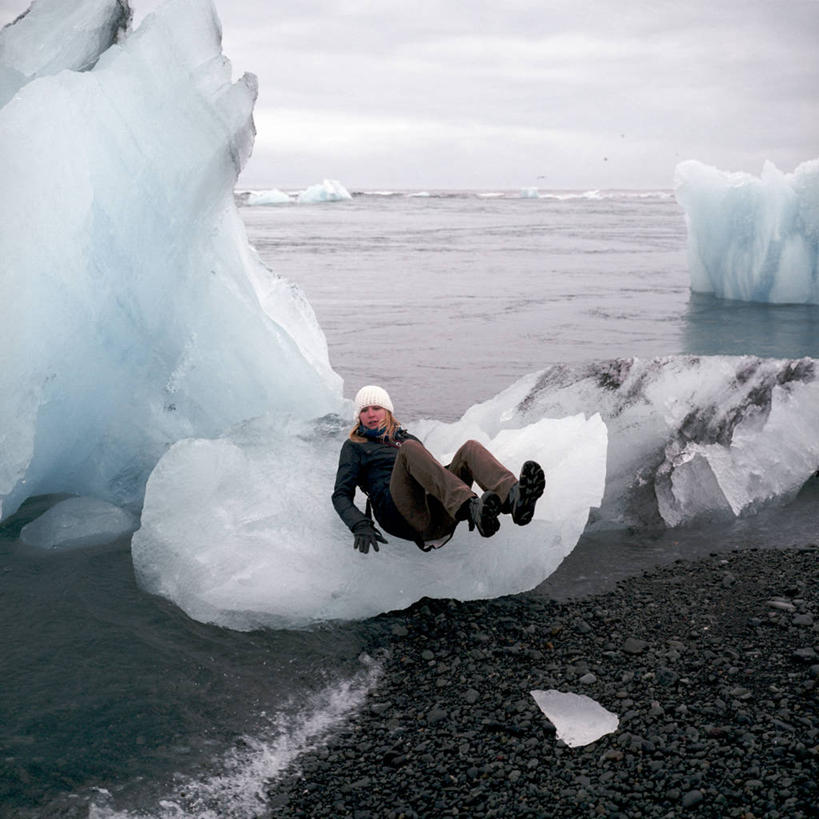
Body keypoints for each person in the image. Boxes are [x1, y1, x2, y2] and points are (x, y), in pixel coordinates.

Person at [332, 385, 546, 554]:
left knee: (469, 449)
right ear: (358, 417)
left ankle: (514, 498)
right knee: (409, 450)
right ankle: (470, 507)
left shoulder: (407, 439)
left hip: (438, 516)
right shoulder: (355, 446)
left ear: (387, 411)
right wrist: (359, 524)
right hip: (400, 515)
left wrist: (458, 470)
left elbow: (433, 477)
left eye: (376, 408)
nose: (370, 414)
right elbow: (341, 494)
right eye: (364, 410)